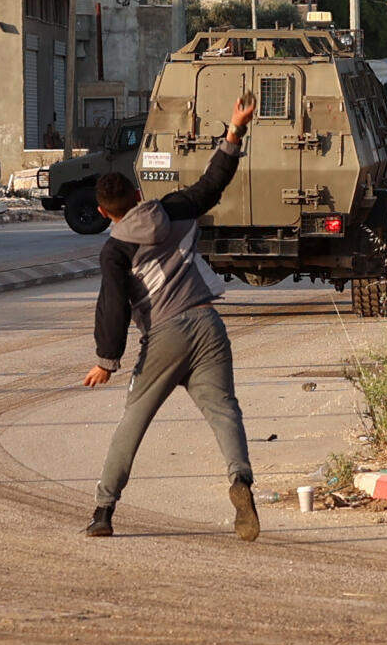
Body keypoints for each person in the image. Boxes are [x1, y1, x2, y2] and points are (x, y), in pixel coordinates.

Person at [79, 94, 258, 539]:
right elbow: (213, 183)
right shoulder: (173, 209)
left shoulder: (115, 248)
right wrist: (235, 128)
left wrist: (106, 359)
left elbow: (114, 303)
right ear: (137, 196)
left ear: (104, 213)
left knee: (133, 422)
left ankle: (103, 512)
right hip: (207, 323)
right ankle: (240, 478)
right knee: (223, 410)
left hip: (165, 335)